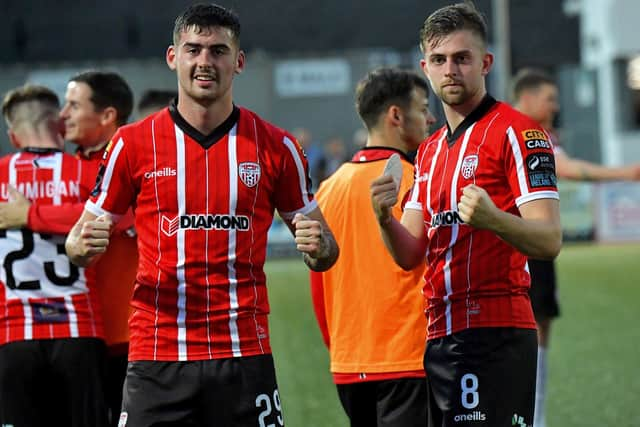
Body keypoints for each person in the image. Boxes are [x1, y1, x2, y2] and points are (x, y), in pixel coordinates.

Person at [65, 4, 339, 427]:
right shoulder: (132, 143)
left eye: (218, 50)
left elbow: (325, 249)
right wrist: (81, 246)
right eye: (193, 49)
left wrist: (319, 248)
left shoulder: (275, 146)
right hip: (157, 355)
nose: (205, 62)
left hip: (243, 355)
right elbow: (78, 242)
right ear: (173, 57)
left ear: (239, 61)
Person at [370, 3, 562, 427]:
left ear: (486, 63)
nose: (450, 69)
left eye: (462, 58)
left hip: (495, 334)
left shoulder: (520, 133)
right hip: (439, 335)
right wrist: (384, 218)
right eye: (439, 60)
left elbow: (549, 239)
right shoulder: (430, 149)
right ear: (425, 67)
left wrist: (494, 219)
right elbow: (410, 254)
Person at [0, 70, 137, 426]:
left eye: (73, 105)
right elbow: (113, 215)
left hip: (22, 332)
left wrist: (30, 213)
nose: (64, 115)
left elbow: (119, 216)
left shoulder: (130, 163)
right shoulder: (82, 171)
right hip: (81, 330)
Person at [512, 67, 640, 427]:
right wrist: (624, 174)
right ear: (527, 98)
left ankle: (534, 417)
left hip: (534, 242)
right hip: (523, 244)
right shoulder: (522, 131)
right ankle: (531, 419)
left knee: (540, 326)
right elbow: (566, 168)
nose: (554, 106)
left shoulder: (538, 132)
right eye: (549, 99)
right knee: (531, 330)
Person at [309, 67, 435, 426]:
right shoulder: (417, 182)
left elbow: (318, 283)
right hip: (407, 360)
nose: (429, 118)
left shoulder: (327, 190)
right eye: (423, 108)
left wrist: (340, 350)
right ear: (396, 115)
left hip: (348, 363)